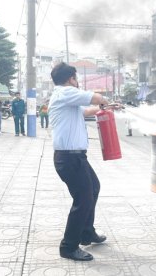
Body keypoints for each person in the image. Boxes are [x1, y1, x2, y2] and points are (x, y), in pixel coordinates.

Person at [49, 62, 113, 261]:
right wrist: (103, 100)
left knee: (94, 187)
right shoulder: (65, 92)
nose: (77, 82)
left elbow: (85, 111)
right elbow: (95, 97)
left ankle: (87, 232)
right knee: (83, 199)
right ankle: (68, 247)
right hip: (69, 158)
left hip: (75, 157)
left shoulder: (67, 98)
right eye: (76, 78)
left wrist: (104, 107)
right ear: (70, 79)